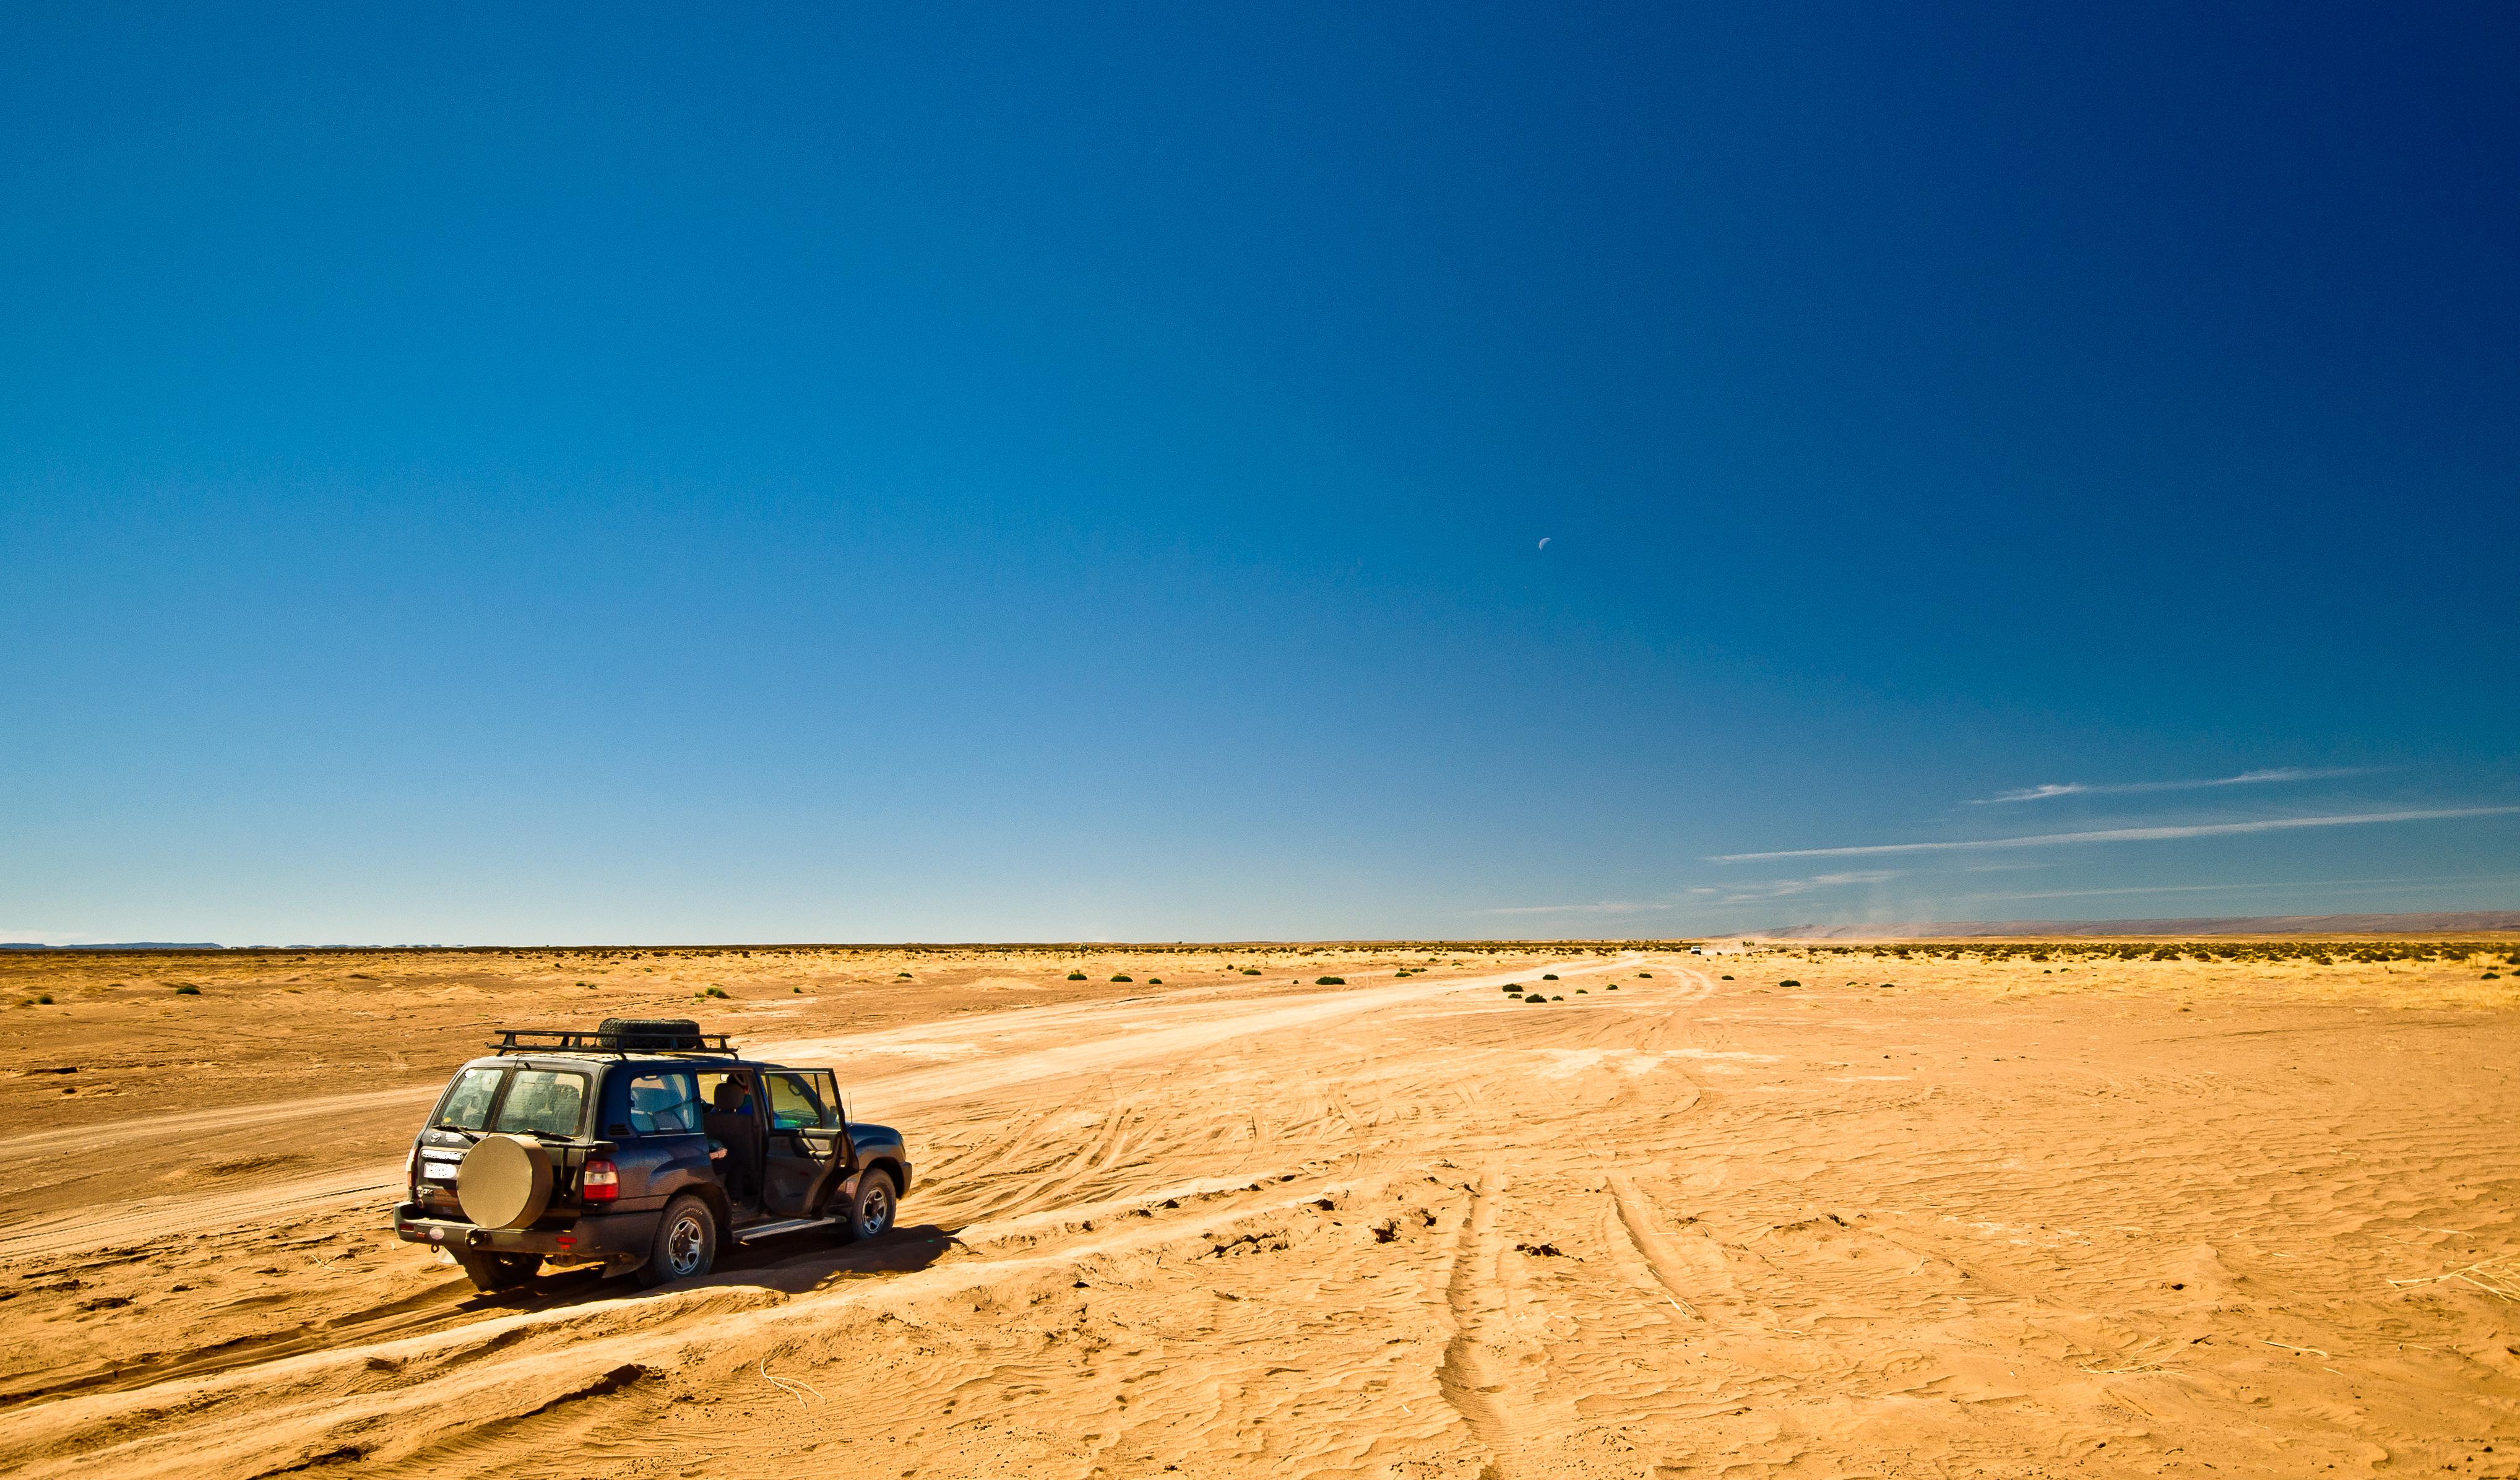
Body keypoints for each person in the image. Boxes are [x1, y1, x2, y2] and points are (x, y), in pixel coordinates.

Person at [704, 1075, 764, 1205]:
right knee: (735, 1157)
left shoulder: (711, 1115)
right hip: (741, 1169)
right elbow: (776, 1122)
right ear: (747, 1088)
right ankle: (736, 1199)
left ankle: (736, 1199)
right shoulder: (754, 1111)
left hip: (706, 1161)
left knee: (733, 1156)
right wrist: (717, 1154)